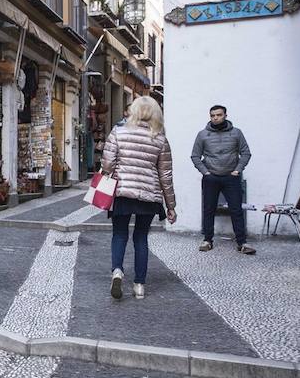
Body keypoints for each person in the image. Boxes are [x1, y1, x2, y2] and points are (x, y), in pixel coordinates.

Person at [100, 95, 176, 300]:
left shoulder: (118, 132)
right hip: (149, 194)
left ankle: (117, 271)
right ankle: (139, 285)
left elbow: (107, 164)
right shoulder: (160, 139)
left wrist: (109, 175)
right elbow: (165, 175)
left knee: (119, 234)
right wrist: (171, 206)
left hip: (122, 191)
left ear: (133, 111)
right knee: (141, 237)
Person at [190, 104, 256, 255]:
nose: (215, 118)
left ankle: (242, 243)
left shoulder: (236, 133)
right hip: (211, 177)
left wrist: (237, 170)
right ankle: (207, 240)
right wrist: (206, 172)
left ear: (225, 115)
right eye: (213, 115)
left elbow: (246, 153)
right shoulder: (203, 135)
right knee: (209, 209)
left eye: (219, 115)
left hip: (231, 177)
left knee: (236, 210)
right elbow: (195, 156)